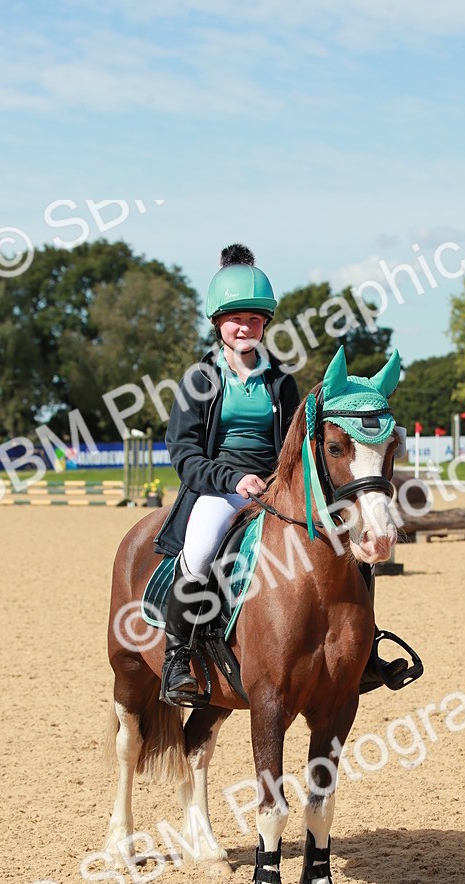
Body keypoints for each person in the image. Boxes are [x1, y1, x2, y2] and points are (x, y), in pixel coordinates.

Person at [155, 245, 300, 706]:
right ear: (218, 323)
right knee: (198, 554)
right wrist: (231, 480)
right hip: (219, 489)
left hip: (277, 489)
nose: (246, 328)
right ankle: (179, 658)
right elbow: (183, 453)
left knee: (338, 541)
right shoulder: (201, 378)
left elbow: (294, 444)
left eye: (255, 320)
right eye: (236, 319)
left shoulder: (281, 381)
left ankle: (360, 646)